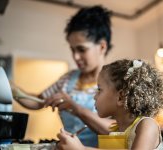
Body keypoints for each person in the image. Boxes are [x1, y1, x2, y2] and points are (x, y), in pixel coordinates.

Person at [12, 5, 114, 147]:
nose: (75, 57)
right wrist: (11, 88)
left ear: (102, 46)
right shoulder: (67, 79)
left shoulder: (116, 81)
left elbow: (118, 130)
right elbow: (37, 101)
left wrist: (77, 109)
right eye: (72, 50)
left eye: (81, 49)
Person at [57, 59, 163, 150]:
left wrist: (81, 149)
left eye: (99, 90)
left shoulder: (147, 125)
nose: (94, 96)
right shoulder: (115, 130)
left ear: (120, 97)